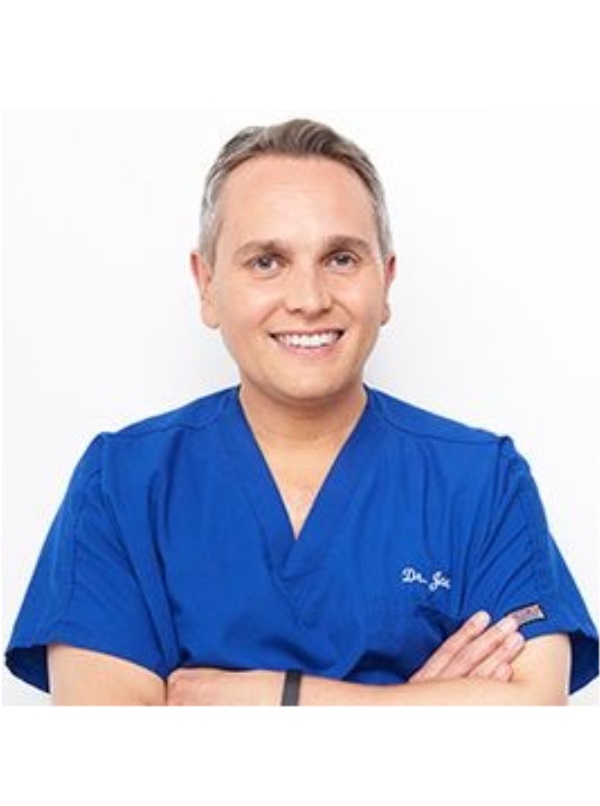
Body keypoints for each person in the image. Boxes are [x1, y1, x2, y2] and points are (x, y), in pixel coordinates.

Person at [5, 118, 598, 705]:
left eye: (341, 258)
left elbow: (532, 715)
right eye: (267, 261)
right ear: (206, 285)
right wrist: (416, 712)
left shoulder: (481, 482)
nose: (309, 299)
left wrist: (284, 698)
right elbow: (108, 750)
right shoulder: (124, 482)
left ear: (386, 282)